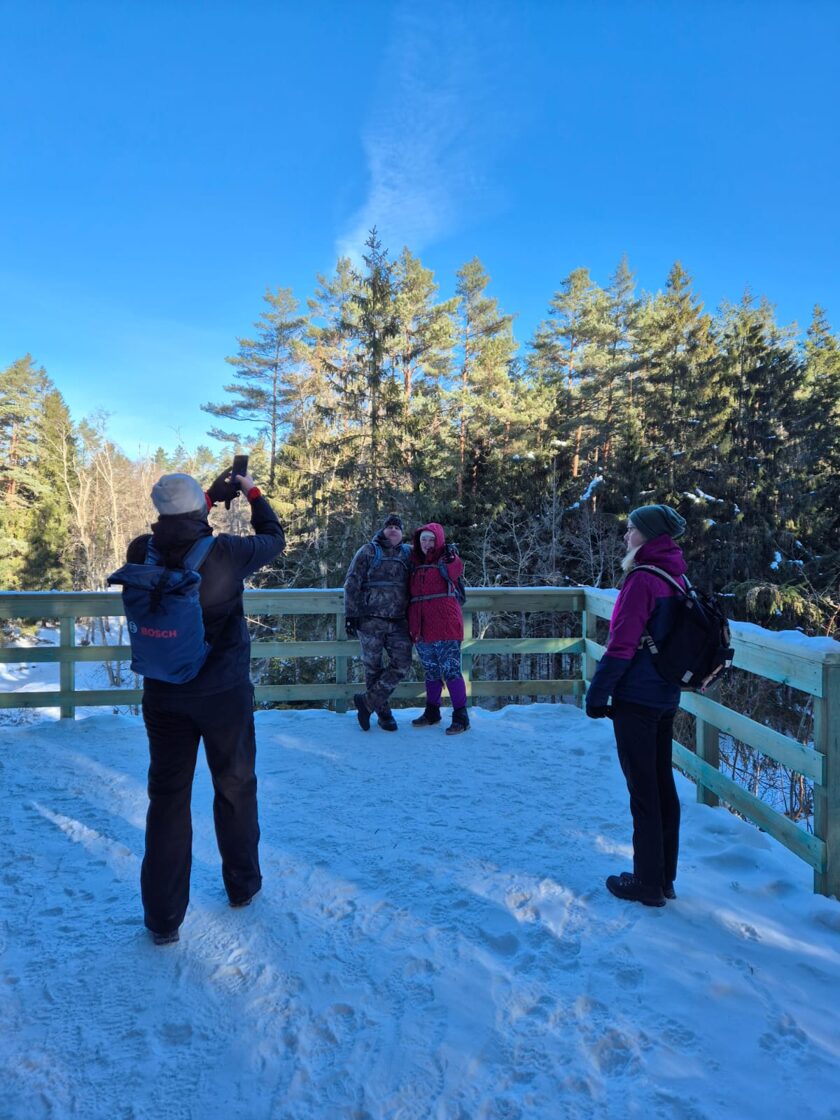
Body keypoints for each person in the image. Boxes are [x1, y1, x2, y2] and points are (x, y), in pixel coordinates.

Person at [126, 469, 285, 945]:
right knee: (235, 787)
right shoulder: (226, 554)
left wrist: (209, 497)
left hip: (164, 695)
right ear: (199, 509)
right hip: (223, 695)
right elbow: (274, 537)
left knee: (167, 800)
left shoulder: (140, 552)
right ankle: (242, 886)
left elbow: (177, 533)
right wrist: (251, 492)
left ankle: (163, 919)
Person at [585, 503, 688, 907]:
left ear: (648, 534)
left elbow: (622, 645)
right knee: (661, 785)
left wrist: (598, 694)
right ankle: (664, 878)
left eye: (631, 528)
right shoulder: (677, 575)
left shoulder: (643, 578)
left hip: (638, 698)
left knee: (643, 790)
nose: (626, 535)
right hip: (665, 696)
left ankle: (647, 882)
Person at [344, 513, 413, 732]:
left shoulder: (409, 554)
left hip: (399, 621)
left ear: (402, 533)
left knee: (402, 663)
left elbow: (430, 563)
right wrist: (350, 615)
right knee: (372, 667)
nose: (393, 529)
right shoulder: (368, 551)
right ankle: (383, 714)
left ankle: (367, 703)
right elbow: (352, 582)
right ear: (382, 530)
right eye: (389, 526)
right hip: (369, 620)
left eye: (397, 527)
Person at [408, 522, 469, 736]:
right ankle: (432, 712)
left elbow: (455, 569)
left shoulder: (447, 558)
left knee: (451, 670)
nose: (427, 543)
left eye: (431, 539)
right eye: (423, 539)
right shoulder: (414, 563)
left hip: (445, 625)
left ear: (439, 540)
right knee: (431, 671)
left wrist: (451, 556)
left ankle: (461, 716)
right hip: (422, 627)